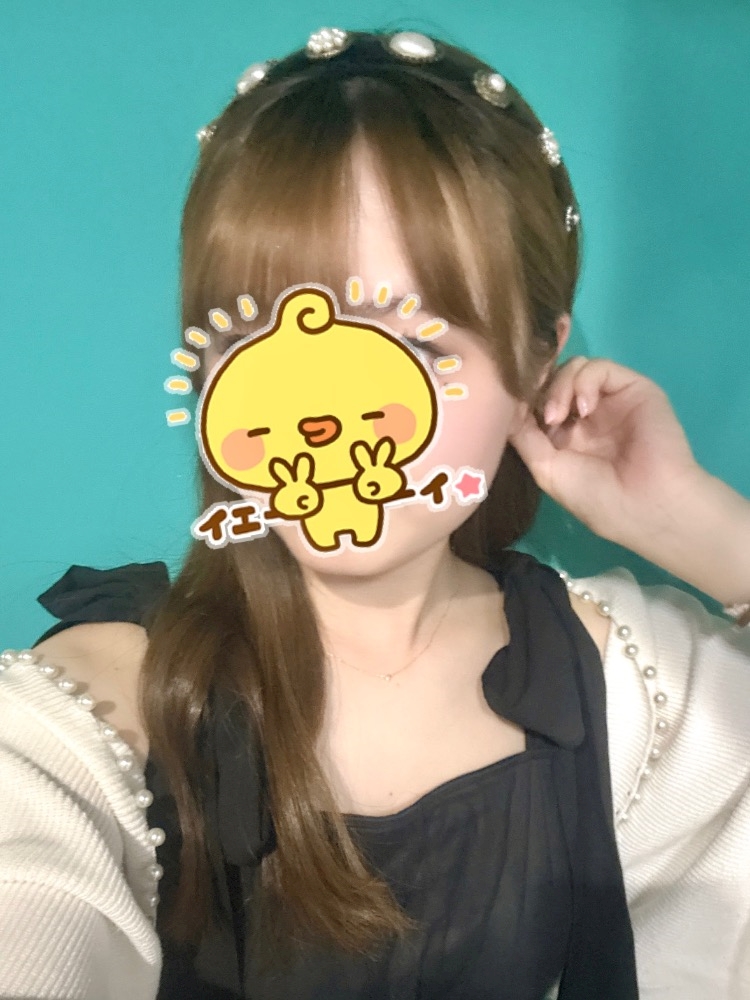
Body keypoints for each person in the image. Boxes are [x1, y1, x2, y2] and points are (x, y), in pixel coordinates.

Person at [1, 27, 749, 1000]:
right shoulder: (107, 702)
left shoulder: (625, 683)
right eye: (266, 338)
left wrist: (701, 527)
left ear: (536, 360)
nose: (327, 417)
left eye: (416, 343)